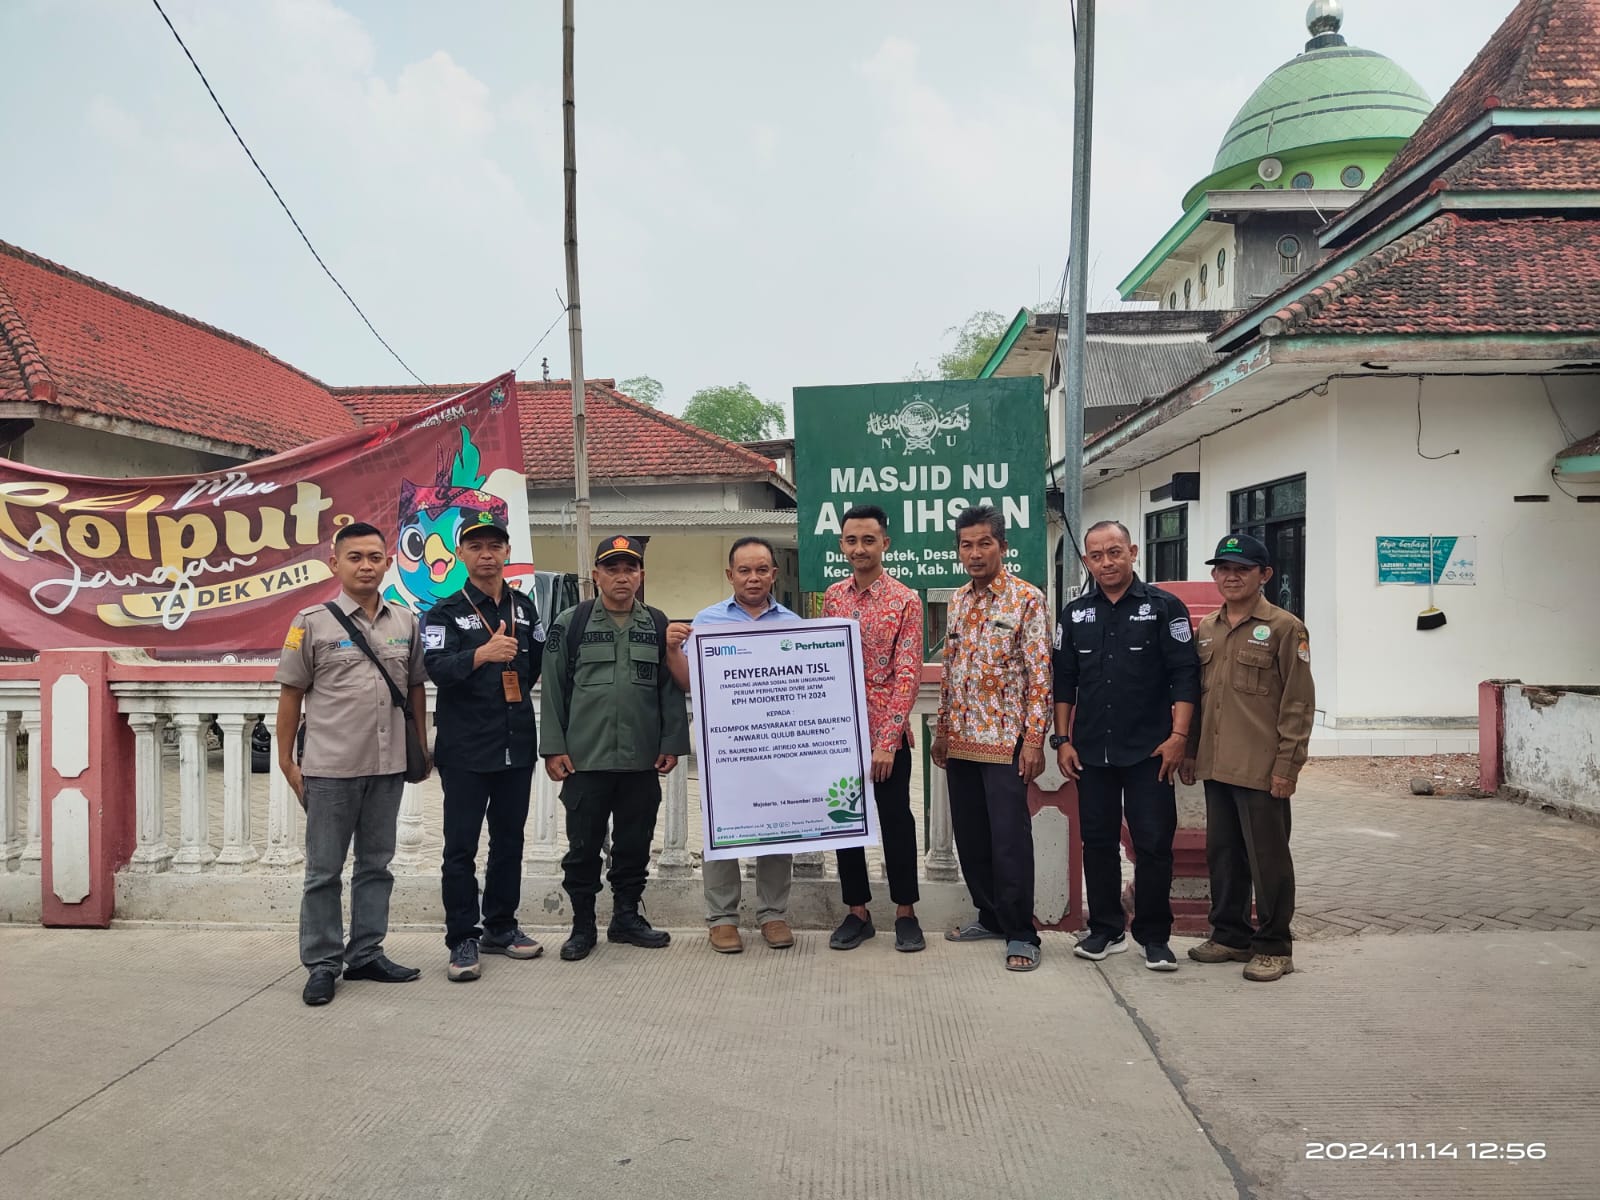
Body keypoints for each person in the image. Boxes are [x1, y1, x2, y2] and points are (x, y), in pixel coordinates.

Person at [274, 521, 430, 1007]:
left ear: (388, 562)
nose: (367, 565)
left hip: (387, 766)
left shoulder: (405, 621)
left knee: (376, 865)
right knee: (323, 870)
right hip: (330, 768)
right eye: (356, 557)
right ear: (335, 564)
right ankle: (322, 963)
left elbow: (415, 689)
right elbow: (290, 694)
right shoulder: (311, 622)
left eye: (375, 557)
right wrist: (286, 761)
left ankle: (366, 952)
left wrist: (420, 746)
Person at [1052, 520, 1199, 972]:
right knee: (1096, 841)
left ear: (1133, 552)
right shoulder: (1075, 614)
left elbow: (1185, 676)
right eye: (1096, 555)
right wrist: (1062, 740)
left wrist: (1178, 738)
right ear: (1087, 561)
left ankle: (1155, 936)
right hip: (1092, 751)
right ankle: (1105, 929)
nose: (1106, 562)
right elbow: (1065, 682)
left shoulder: (1164, 609)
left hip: (1149, 752)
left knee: (1154, 843)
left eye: (1114, 552)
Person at [541, 535, 688, 961]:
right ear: (597, 575)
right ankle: (582, 925)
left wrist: (671, 743)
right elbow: (552, 689)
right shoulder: (572, 623)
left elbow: (668, 691)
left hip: (641, 760)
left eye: (630, 569)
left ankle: (625, 918)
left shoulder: (657, 624)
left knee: (634, 844)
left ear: (640, 574)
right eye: (612, 569)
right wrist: (553, 747)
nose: (622, 577)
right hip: (585, 758)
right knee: (583, 847)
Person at [1180, 532, 1315, 984]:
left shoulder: (1284, 627)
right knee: (1224, 855)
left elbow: (1298, 703)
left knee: (1268, 859)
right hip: (1217, 763)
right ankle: (1231, 935)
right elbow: (1199, 698)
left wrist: (1287, 766)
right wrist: (1191, 750)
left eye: (1242, 569)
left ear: (1265, 575)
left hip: (1261, 768)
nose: (1230, 576)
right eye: (1223, 569)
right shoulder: (1207, 628)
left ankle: (1275, 945)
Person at [422, 510, 546, 982]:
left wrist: (504, 667)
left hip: (516, 745)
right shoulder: (444, 611)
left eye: (495, 546)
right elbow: (436, 669)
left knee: (509, 843)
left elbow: (532, 669)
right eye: (476, 546)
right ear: (461, 554)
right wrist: (481, 654)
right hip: (467, 750)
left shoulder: (524, 608)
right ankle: (462, 937)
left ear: (507, 552)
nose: (486, 554)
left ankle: (501, 925)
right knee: (460, 849)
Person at [664, 536, 799, 954]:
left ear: (774, 574)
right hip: (727, 747)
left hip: (778, 746)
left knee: (778, 827)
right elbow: (687, 681)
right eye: (745, 570)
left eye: (762, 569)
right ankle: (722, 918)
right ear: (730, 575)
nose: (753, 578)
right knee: (723, 827)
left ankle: (773, 914)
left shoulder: (793, 625)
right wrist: (671, 648)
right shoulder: (705, 623)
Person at [932, 506, 1052, 973]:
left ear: (1002, 547)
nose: (975, 553)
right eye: (967, 544)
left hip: (1005, 739)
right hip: (960, 738)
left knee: (1009, 839)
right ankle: (990, 916)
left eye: (984, 543)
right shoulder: (959, 599)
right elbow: (950, 670)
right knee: (972, 837)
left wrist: (1034, 740)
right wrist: (942, 730)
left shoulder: (1027, 599)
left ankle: (1022, 931)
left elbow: (1040, 675)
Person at [821, 505, 926, 953]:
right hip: (841, 732)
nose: (859, 548)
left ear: (885, 543)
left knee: (896, 821)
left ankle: (905, 912)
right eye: (851, 540)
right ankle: (857, 911)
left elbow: (908, 675)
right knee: (844, 822)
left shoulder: (906, 600)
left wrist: (885, 742)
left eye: (868, 540)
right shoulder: (833, 596)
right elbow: (822, 662)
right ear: (842, 544)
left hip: (888, 737)